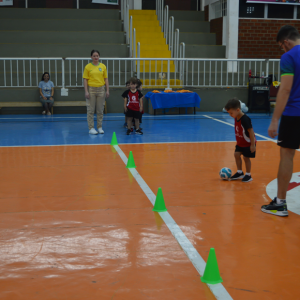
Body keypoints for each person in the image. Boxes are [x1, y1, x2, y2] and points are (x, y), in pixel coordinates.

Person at [261, 25, 300, 217]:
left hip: (294, 114)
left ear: (286, 42)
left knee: (287, 156)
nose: (282, 51)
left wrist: (275, 120)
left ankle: (280, 203)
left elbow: (284, 90)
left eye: (281, 47)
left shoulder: (289, 57)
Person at [225, 98, 256, 183]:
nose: (230, 115)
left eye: (231, 113)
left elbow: (251, 131)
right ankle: (240, 172)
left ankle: (248, 175)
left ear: (238, 110)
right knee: (236, 154)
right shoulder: (236, 116)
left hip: (248, 143)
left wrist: (252, 145)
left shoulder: (245, 119)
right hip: (240, 143)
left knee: (246, 158)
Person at [83, 50, 109, 135]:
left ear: (99, 56)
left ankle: (99, 127)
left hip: (101, 89)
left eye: (97, 55)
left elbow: (106, 79)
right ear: (91, 57)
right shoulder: (88, 67)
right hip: (91, 90)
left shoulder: (103, 66)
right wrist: (86, 91)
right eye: (94, 56)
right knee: (90, 110)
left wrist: (107, 90)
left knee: (100, 110)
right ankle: (91, 128)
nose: (96, 57)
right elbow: (85, 80)